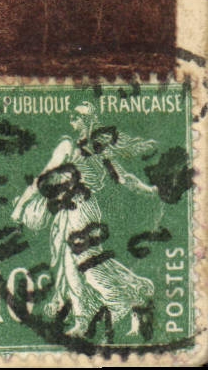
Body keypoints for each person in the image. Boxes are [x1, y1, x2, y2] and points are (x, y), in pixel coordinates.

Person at [10, 102, 162, 338]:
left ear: (91, 121)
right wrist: (21, 207)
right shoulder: (70, 146)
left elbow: (124, 178)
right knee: (81, 263)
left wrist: (149, 190)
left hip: (81, 210)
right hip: (70, 210)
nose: (74, 119)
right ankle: (126, 297)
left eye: (79, 116)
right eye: (72, 115)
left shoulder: (95, 150)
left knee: (78, 265)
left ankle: (95, 313)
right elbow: (43, 179)